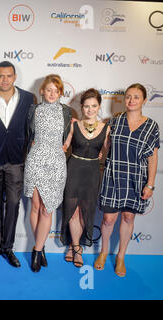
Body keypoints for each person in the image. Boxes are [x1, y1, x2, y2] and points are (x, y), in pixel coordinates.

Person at [95, 83, 159, 277]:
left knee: (128, 217)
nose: (131, 100)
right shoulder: (115, 120)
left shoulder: (151, 127)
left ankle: (121, 256)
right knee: (108, 219)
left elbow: (153, 158)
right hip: (113, 175)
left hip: (136, 179)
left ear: (144, 100)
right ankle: (104, 252)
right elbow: (104, 146)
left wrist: (150, 184)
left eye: (136, 97)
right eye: (129, 96)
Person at [0, 61, 34, 267]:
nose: (5, 80)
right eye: (1, 76)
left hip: (16, 160)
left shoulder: (28, 98)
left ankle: (8, 247)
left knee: (12, 204)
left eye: (9, 76)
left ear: (14, 77)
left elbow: (31, 128)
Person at [24, 74, 72, 272]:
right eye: (49, 90)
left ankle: (36, 249)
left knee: (47, 208)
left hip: (56, 163)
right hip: (36, 159)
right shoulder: (34, 110)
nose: (52, 94)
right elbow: (27, 134)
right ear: (42, 91)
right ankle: (40, 247)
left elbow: (70, 133)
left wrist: (67, 143)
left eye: (56, 90)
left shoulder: (67, 112)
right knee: (35, 206)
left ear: (61, 93)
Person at [60, 89, 110, 268]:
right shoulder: (73, 125)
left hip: (92, 174)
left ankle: (75, 248)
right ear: (81, 107)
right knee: (72, 211)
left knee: (84, 212)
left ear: (99, 107)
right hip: (73, 170)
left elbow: (109, 152)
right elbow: (63, 147)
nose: (90, 110)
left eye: (94, 106)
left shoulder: (106, 128)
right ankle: (75, 248)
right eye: (87, 106)